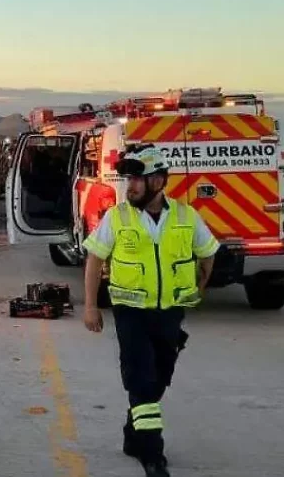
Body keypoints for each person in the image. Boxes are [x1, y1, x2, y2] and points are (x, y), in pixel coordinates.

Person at [80, 144, 219, 477]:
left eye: (138, 179)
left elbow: (208, 250)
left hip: (170, 312)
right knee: (141, 378)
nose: (131, 187)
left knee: (159, 378)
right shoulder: (118, 216)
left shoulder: (186, 216)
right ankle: (152, 454)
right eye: (129, 180)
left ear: (158, 181)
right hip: (131, 312)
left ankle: (133, 432)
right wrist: (89, 306)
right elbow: (95, 258)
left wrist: (201, 284)